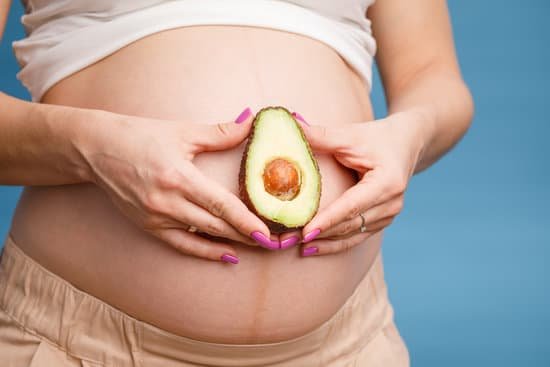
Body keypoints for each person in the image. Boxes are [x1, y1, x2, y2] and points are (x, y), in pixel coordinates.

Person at [0, 0, 473, 365]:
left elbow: (433, 78)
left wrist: (411, 135)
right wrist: (92, 147)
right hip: (79, 347)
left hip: (349, 347)